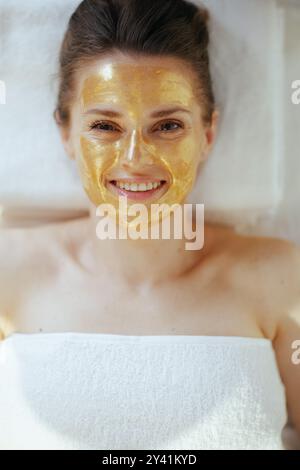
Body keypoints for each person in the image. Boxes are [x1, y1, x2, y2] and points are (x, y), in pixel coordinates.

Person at [0, 0, 299, 450]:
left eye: (168, 126)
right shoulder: (9, 271)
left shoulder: (281, 278)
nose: (135, 159)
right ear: (65, 134)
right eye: (104, 125)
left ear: (208, 134)